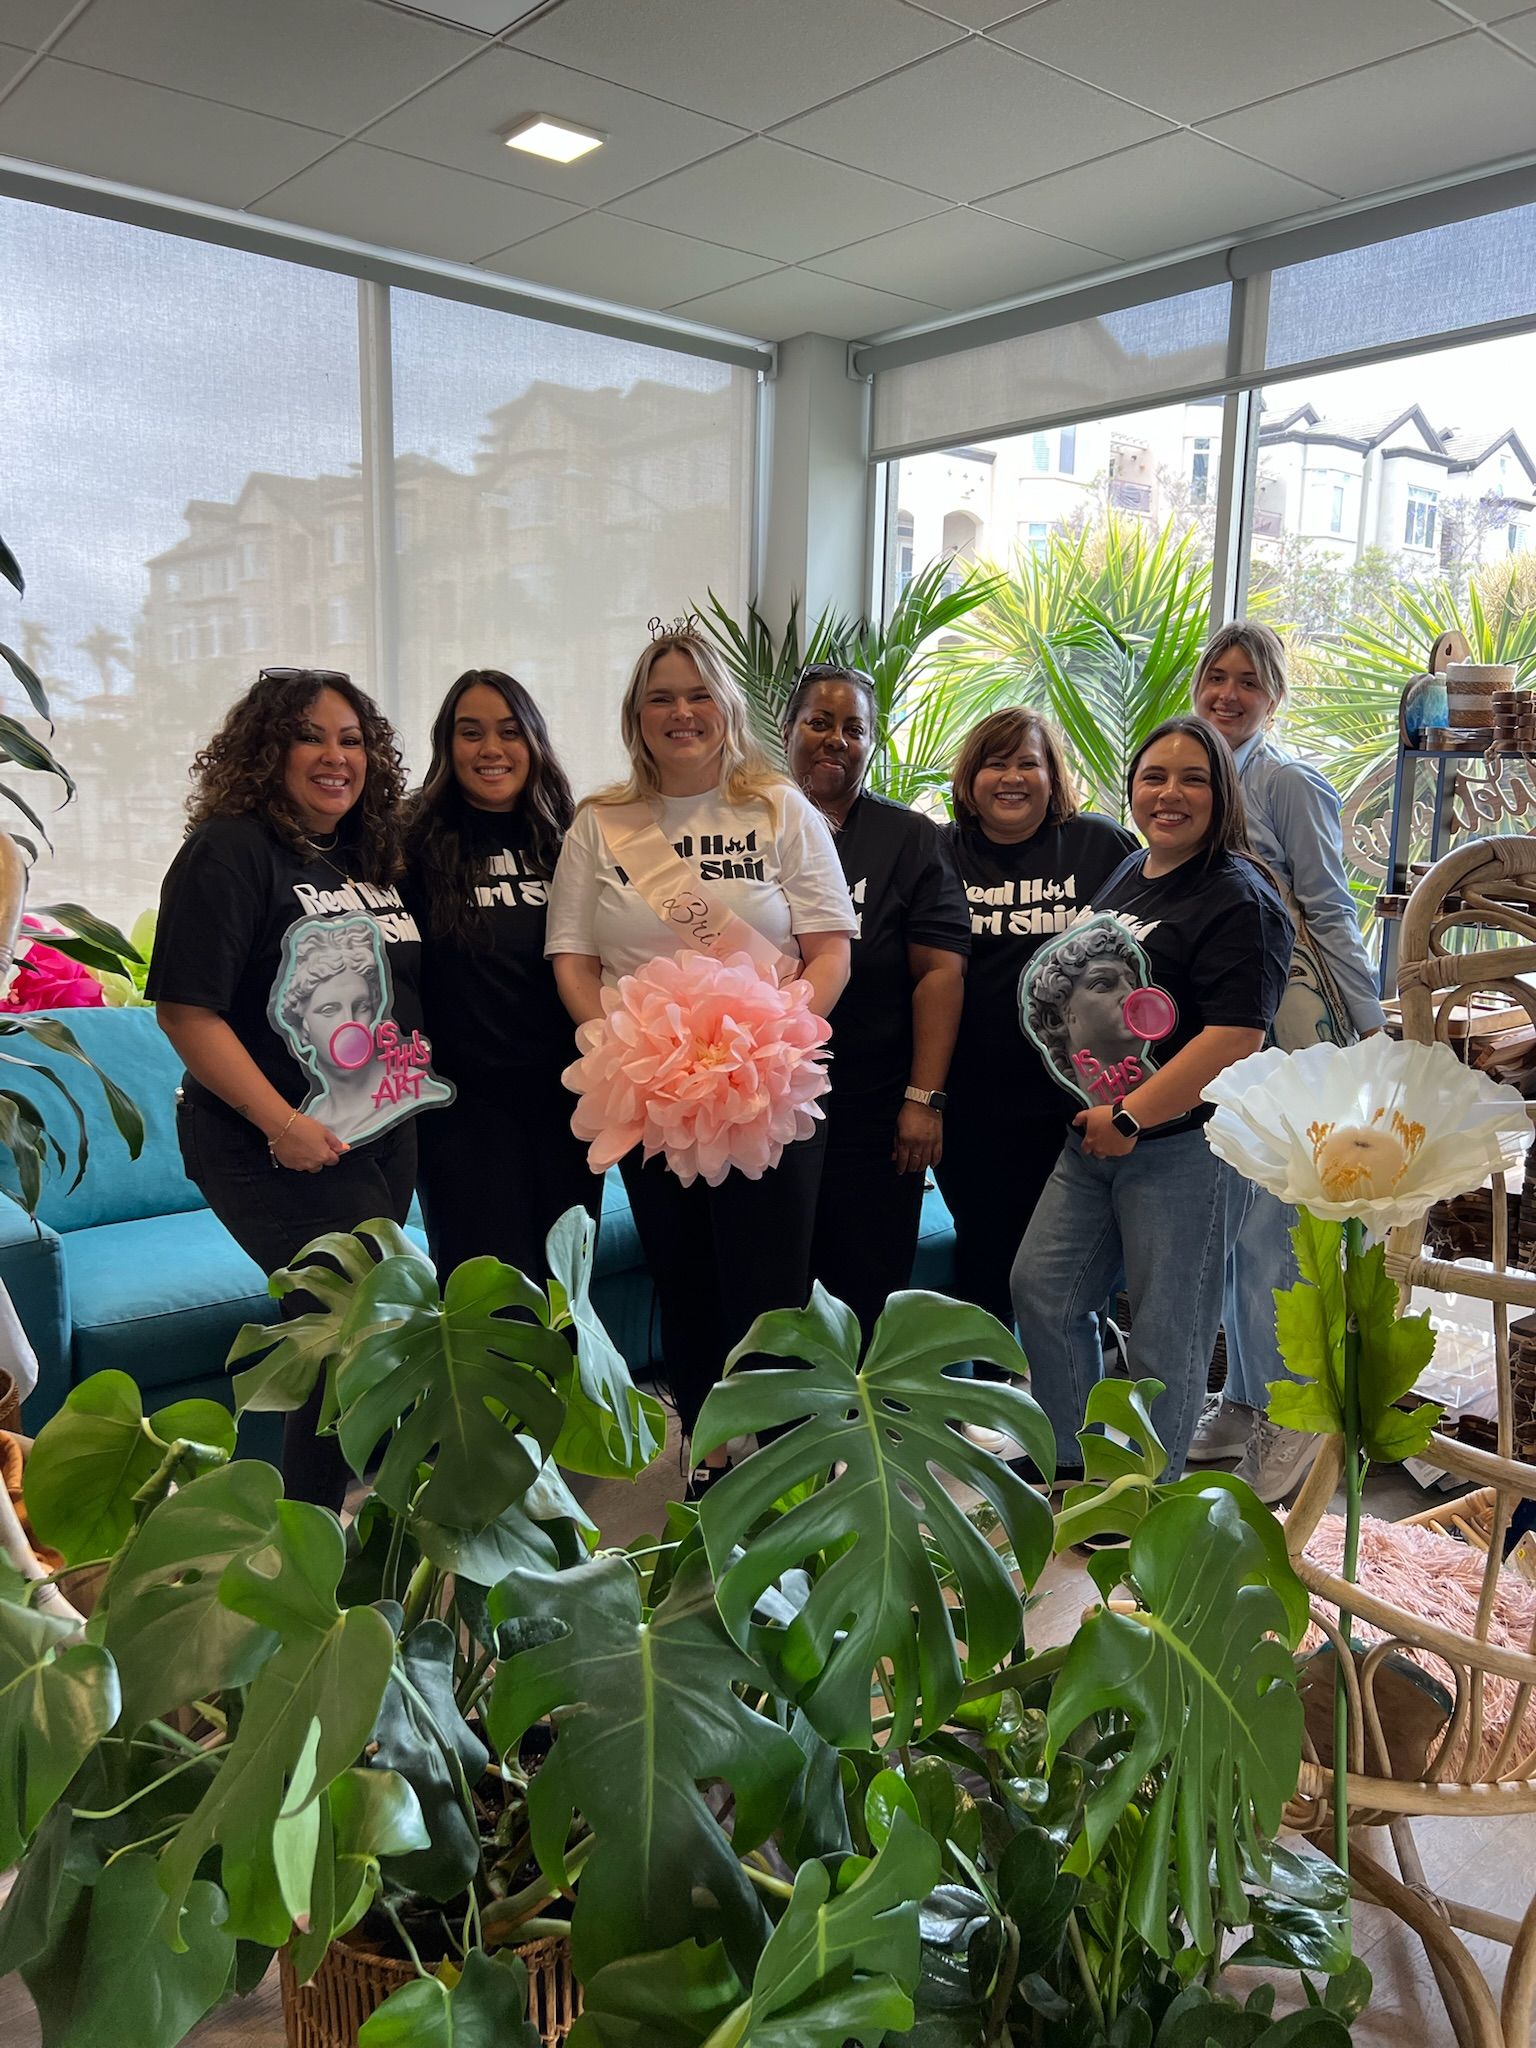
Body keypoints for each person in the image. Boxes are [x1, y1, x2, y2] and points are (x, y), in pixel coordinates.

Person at [546, 630, 854, 1496]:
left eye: (697, 696)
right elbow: (572, 958)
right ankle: (709, 1450)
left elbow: (830, 951)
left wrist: (781, 1035)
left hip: (767, 1085)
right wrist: (624, 1047)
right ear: (636, 719)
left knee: (773, 1281)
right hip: (652, 1090)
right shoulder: (600, 823)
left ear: (726, 708)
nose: (681, 714)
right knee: (682, 1273)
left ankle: (790, 1452)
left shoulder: (780, 808)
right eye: (660, 699)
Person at [147, 666, 449, 1509]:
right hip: (270, 1146)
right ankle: (306, 1543)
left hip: (378, 1134)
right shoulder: (231, 849)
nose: (334, 756)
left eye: (351, 740)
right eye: (310, 736)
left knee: (352, 1337)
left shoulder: (365, 851)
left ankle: (355, 1535)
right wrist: (281, 1123)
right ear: (266, 749)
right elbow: (186, 1012)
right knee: (339, 1336)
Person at [1011, 716, 1294, 1485]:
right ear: (1132, 787)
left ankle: (1142, 1494)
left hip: (1182, 1149)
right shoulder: (1134, 869)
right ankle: (1073, 1462)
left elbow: (1237, 1035)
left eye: (1192, 779)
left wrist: (1134, 1115)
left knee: (1171, 1335)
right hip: (1095, 1136)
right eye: (1153, 776)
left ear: (1222, 794)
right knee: (1041, 1290)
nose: (1169, 793)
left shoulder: (1241, 898)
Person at [1189, 621, 1386, 1501]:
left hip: (1300, 1031)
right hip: (1226, 1032)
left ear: (1274, 696)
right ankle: (1241, 1397)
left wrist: (1374, 1036)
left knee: (1278, 1234)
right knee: (1238, 1224)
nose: (1228, 694)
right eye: (1216, 677)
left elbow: (1332, 912)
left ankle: (1292, 1417)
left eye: (1248, 682)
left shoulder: (1289, 781)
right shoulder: (1190, 776)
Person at [782, 662, 970, 1338]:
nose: (835, 739)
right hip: (759, 1108)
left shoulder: (910, 839)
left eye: (853, 729)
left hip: (873, 1108)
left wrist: (924, 1101)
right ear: (789, 728)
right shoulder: (745, 829)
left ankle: (857, 1438)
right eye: (819, 722)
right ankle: (778, 1430)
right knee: (774, 1281)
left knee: (865, 1282)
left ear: (871, 744)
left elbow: (939, 974)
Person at [938, 709, 1135, 1348]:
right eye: (996, 763)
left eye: (1029, 762)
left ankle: (1080, 1397)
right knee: (987, 1249)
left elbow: (1148, 955)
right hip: (974, 1100)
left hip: (1081, 1099)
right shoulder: (941, 852)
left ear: (1053, 774)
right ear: (971, 777)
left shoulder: (1101, 845)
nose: (1012, 777)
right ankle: (992, 1397)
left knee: (1074, 1266)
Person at [402, 669, 596, 1283]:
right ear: (446, 745)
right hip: (461, 1113)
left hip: (570, 1103)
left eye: (509, 731)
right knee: (492, 1300)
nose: (491, 748)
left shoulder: (573, 839)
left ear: (534, 741)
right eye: (471, 732)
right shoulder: (409, 843)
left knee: (570, 1298)